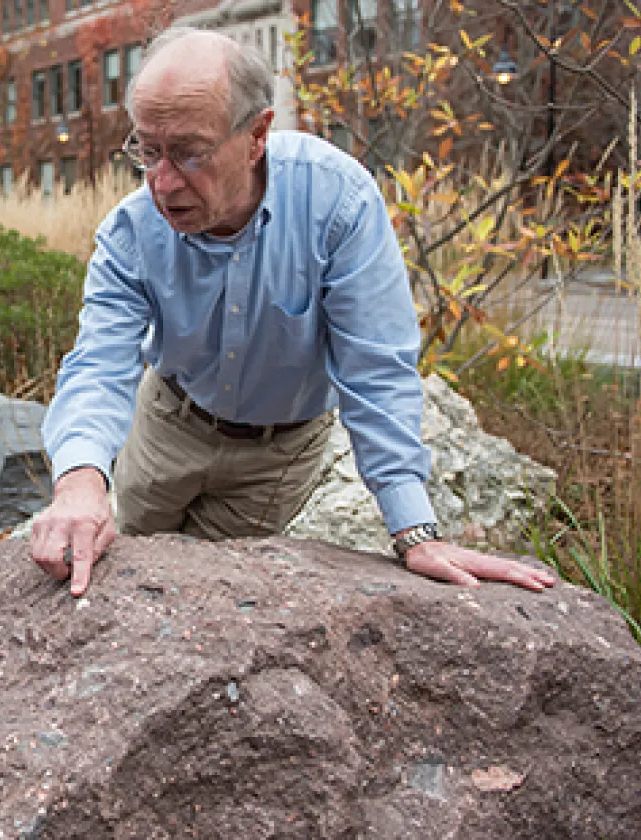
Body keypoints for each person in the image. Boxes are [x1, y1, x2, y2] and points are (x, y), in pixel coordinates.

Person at [30, 27, 558, 597]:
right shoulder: (132, 233)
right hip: (167, 422)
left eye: (188, 152)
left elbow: (374, 369)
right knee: (121, 577)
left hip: (277, 451)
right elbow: (99, 363)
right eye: (147, 150)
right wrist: (80, 481)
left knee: (208, 597)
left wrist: (416, 531)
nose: (162, 182)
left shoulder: (339, 204)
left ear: (257, 134)